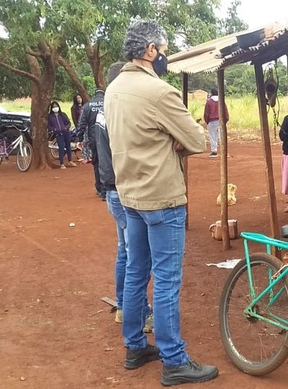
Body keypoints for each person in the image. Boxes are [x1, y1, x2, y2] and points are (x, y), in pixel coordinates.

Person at [105, 18, 217, 386]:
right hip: (162, 199)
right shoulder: (159, 92)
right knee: (167, 281)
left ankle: (135, 345)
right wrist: (175, 141)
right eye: (163, 48)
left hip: (130, 196)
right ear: (150, 51)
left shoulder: (114, 88)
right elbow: (199, 140)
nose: (165, 55)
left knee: (137, 272)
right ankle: (174, 360)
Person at [98, 61, 155, 329]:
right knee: (137, 258)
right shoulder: (118, 111)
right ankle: (139, 313)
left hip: (113, 188)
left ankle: (124, 306)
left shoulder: (104, 111)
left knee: (126, 251)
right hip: (123, 190)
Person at [78, 89, 106, 200]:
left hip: (94, 139)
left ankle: (99, 188)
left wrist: (79, 138)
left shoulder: (87, 106)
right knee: (108, 162)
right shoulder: (109, 103)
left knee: (96, 163)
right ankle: (107, 190)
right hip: (108, 137)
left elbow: (82, 124)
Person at [47, 101, 75, 169]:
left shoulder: (62, 114)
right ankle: (62, 163)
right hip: (58, 134)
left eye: (56, 106)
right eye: (53, 107)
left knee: (68, 146)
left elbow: (68, 123)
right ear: (51, 108)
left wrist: (66, 128)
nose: (55, 108)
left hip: (66, 132)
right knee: (61, 148)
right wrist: (54, 129)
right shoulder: (50, 117)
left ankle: (70, 161)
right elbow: (49, 126)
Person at [203, 87, 229, 158]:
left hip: (211, 122)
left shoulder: (209, 102)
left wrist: (207, 121)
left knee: (212, 137)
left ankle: (214, 152)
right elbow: (225, 111)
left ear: (211, 93)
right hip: (221, 121)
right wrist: (225, 120)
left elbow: (206, 113)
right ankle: (225, 152)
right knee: (222, 137)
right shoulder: (222, 101)